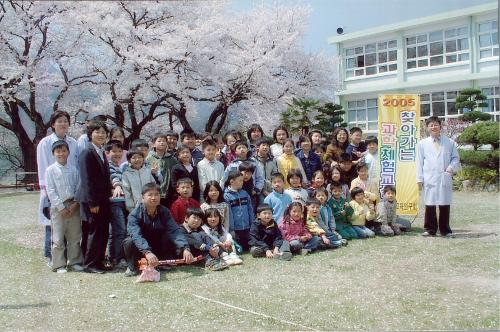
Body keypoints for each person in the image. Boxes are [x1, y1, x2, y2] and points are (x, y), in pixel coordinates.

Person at [36, 111, 79, 266]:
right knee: (53, 225)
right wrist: (46, 190)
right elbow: (42, 167)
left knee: (72, 227)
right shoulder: (45, 143)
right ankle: (51, 257)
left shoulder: (73, 142)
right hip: (52, 188)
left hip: (71, 189)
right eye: (59, 121)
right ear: (53, 124)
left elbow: (76, 166)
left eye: (65, 121)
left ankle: (72, 258)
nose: (63, 124)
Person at [123, 183, 193, 277]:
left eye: (156, 194)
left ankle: (163, 262)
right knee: (129, 241)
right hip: (141, 247)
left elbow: (174, 230)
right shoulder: (134, 214)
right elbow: (136, 235)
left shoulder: (164, 211)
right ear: (143, 197)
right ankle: (132, 267)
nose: (153, 198)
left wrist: (185, 248)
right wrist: (147, 251)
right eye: (150, 195)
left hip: (156, 244)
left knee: (168, 235)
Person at [76, 120, 112, 273]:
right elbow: (87, 179)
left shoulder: (101, 151)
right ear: (90, 134)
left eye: (103, 132)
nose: (101, 134)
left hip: (103, 199)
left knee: (103, 231)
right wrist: (92, 202)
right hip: (93, 200)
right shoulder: (87, 151)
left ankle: (98, 261)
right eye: (97, 132)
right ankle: (90, 264)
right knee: (94, 231)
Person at [416, 116, 461, 237]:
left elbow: (456, 158)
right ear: (427, 128)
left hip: (444, 177)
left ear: (440, 126)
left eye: (436, 124)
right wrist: (419, 179)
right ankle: (430, 229)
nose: (434, 127)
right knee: (429, 204)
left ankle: (445, 230)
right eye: (431, 125)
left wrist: (451, 168)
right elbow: (419, 162)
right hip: (429, 177)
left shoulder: (450, 142)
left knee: (444, 203)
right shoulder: (422, 144)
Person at [45, 140, 83, 273]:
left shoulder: (74, 169)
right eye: (58, 151)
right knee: (58, 237)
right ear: (53, 154)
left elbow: (79, 188)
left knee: (75, 236)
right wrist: (61, 207)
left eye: (64, 151)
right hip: (57, 207)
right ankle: (59, 264)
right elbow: (50, 190)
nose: (61, 154)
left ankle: (75, 261)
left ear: (68, 152)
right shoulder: (50, 170)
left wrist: (74, 204)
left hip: (73, 205)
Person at [105, 140, 127, 268]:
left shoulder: (120, 166)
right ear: (107, 153)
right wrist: (117, 185)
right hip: (115, 202)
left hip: (121, 202)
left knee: (114, 231)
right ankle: (119, 258)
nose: (118, 153)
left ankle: (112, 256)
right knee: (120, 230)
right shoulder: (109, 165)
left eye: (120, 151)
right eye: (114, 151)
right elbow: (113, 177)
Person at [224, 170, 254, 251]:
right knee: (239, 249)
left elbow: (250, 209)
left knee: (249, 245)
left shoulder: (245, 193)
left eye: (242, 180)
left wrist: (252, 223)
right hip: (236, 230)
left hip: (247, 228)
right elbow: (228, 214)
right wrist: (231, 229)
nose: (242, 182)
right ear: (232, 181)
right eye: (240, 180)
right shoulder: (226, 196)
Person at [146, 132, 178, 207]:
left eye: (164, 141)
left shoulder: (172, 159)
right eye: (159, 141)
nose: (162, 143)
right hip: (154, 190)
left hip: (169, 191)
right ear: (153, 144)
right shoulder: (149, 158)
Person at [254, 137, 278, 202]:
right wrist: (263, 190)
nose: (265, 147)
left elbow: (275, 175)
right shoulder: (253, 160)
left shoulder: (273, 160)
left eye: (267, 145)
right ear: (258, 147)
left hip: (271, 189)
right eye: (263, 145)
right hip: (258, 191)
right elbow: (254, 178)